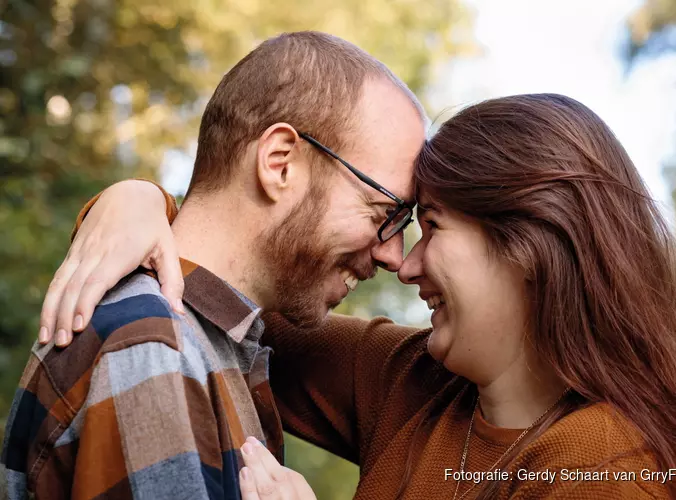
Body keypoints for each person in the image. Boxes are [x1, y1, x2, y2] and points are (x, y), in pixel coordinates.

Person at [26, 94, 676, 499]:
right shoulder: (412, 383)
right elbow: (234, 279)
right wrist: (137, 203)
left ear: (531, 246)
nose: (402, 265)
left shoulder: (609, 474)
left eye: (428, 227)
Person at [0, 31, 426, 499]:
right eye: (383, 213)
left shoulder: (214, 343)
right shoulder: (157, 352)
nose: (394, 256)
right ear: (280, 163)